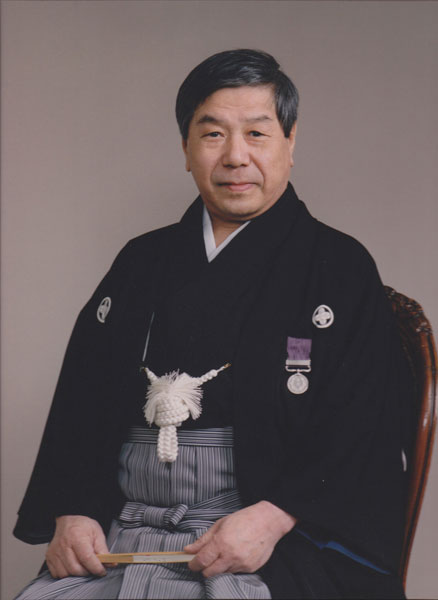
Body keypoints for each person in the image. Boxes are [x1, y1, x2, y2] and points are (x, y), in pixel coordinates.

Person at [13, 49, 412, 600]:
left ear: (291, 142)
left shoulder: (339, 268)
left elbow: (364, 425)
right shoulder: (141, 261)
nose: (235, 157)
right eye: (213, 135)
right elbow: (81, 403)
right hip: (126, 530)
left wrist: (274, 516)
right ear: (186, 149)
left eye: (257, 133)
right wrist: (73, 508)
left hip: (268, 536)